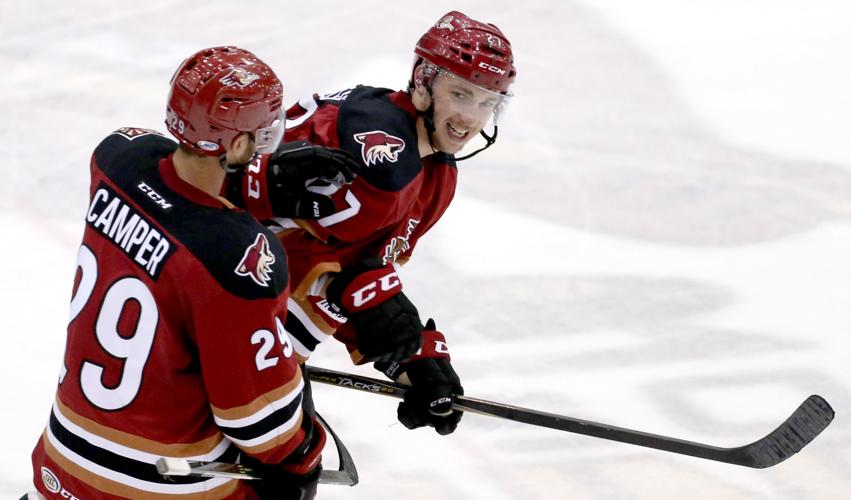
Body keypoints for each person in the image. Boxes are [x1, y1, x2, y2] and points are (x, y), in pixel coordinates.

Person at [28, 46, 351, 500]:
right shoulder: (238, 256)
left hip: (61, 458)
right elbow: (256, 422)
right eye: (258, 137)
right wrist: (302, 457)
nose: (266, 147)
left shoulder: (115, 158)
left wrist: (245, 182)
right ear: (236, 144)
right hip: (160, 482)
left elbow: (169, 192)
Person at [230, 11, 516, 436]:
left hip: (262, 336)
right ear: (423, 81)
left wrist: (409, 356)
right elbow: (307, 264)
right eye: (460, 93)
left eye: (487, 102)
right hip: (212, 318)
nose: (471, 118)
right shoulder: (381, 156)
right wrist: (380, 318)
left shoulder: (437, 177)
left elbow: (354, 274)